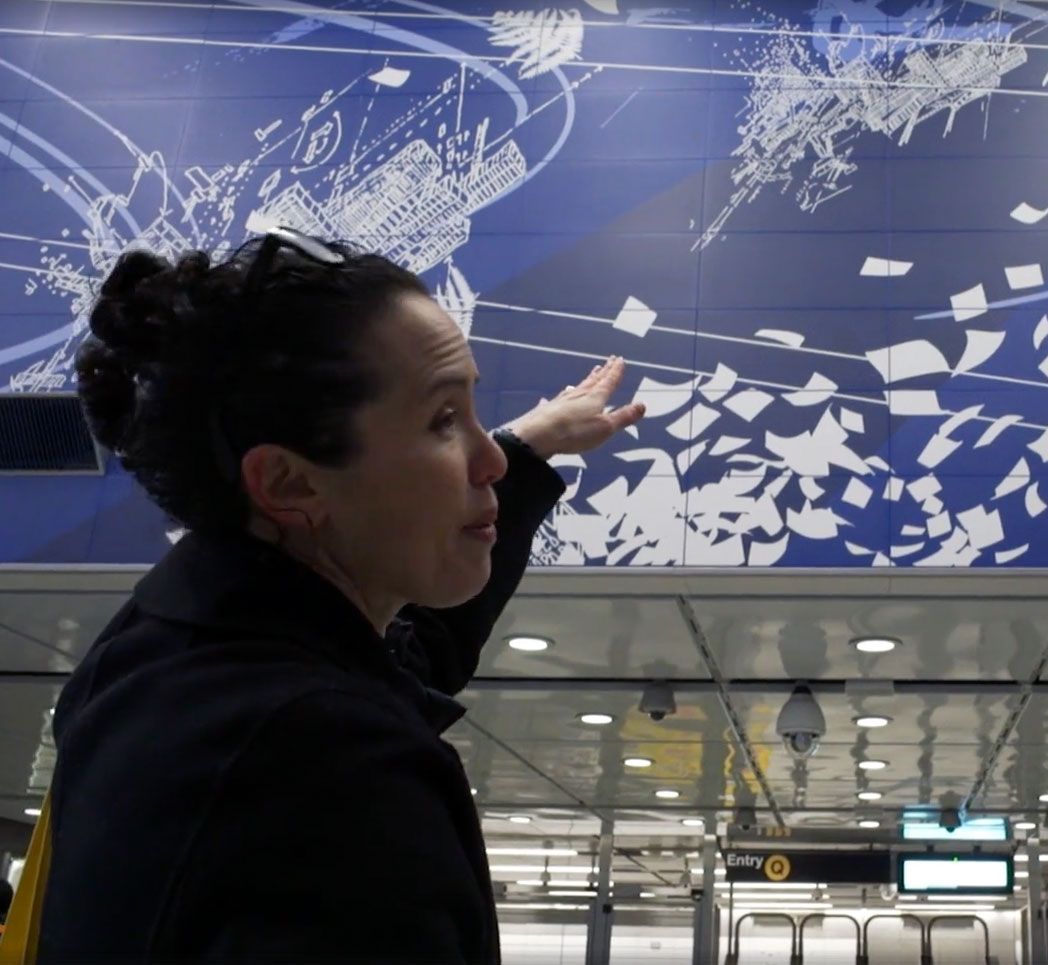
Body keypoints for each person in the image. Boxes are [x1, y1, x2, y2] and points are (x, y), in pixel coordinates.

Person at [36, 228, 645, 963]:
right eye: (443, 420)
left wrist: (532, 444)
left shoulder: (156, 656)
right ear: (291, 483)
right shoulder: (337, 777)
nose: (488, 456)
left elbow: (403, 655)